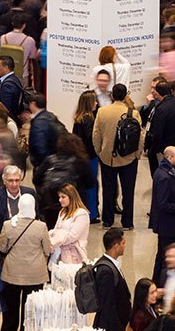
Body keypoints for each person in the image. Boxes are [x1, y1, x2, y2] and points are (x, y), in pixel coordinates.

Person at [0, 194, 51, 331]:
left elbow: (2, 248)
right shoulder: (41, 227)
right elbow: (48, 249)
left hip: (11, 275)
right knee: (30, 314)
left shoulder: (8, 225)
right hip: (35, 276)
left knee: (10, 312)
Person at [93, 83, 143, 230]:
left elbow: (96, 135)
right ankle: (127, 222)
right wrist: (137, 154)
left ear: (112, 95)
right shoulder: (133, 113)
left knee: (108, 189)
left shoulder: (102, 112)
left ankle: (107, 220)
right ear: (126, 95)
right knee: (128, 191)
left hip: (107, 157)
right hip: (128, 158)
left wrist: (100, 151)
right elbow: (140, 136)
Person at [0, 165, 36, 242]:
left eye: (17, 180)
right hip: (2, 237)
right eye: (10, 181)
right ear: (4, 181)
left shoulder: (29, 193)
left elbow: (36, 214)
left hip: (25, 237)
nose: (14, 184)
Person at [93, 229, 132, 331]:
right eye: (123, 243)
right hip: (110, 328)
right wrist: (118, 330)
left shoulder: (111, 264)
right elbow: (108, 304)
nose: (125, 246)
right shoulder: (106, 271)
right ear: (116, 246)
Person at [73, 89, 100, 222]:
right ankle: (92, 213)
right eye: (94, 100)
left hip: (81, 157)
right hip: (90, 157)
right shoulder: (89, 120)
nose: (96, 103)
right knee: (91, 185)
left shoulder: (78, 118)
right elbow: (91, 140)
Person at [149, 147, 175, 283]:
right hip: (168, 226)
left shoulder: (163, 172)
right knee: (166, 259)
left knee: (161, 257)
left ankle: (156, 283)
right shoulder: (165, 176)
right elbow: (163, 204)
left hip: (166, 225)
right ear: (170, 157)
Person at [48, 184, 90, 264]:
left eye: (63, 197)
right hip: (59, 255)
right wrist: (59, 235)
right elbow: (55, 231)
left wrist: (57, 238)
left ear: (71, 197)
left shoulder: (82, 214)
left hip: (75, 257)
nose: (60, 200)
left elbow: (72, 237)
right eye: (59, 197)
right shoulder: (62, 212)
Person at [147, 81, 175, 176]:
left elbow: (157, 133)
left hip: (164, 149)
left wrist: (153, 150)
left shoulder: (161, 108)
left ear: (158, 92)